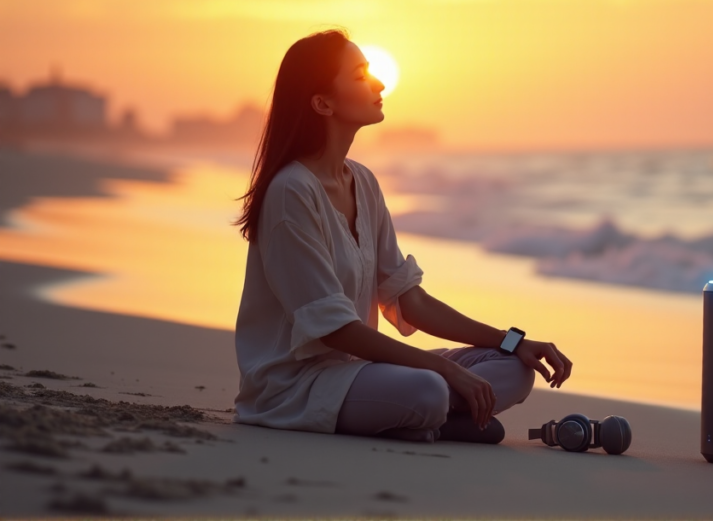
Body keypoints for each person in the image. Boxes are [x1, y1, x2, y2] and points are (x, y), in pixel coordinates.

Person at [232, 29, 573, 443]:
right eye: (360, 76)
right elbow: (334, 329)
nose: (378, 84)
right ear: (322, 102)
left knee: (514, 366)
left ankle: (428, 418)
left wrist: (513, 340)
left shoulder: (363, 182)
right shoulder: (291, 193)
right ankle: (435, 414)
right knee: (428, 389)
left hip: (364, 373)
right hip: (298, 386)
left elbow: (410, 300)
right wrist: (445, 370)